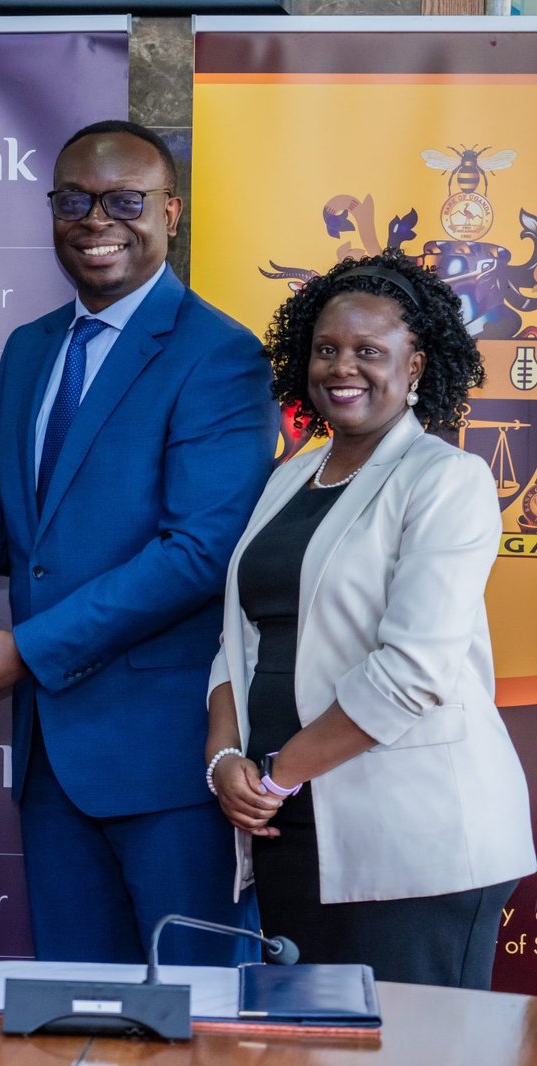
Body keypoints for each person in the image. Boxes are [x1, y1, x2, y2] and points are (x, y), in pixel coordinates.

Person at [0, 120, 278, 963]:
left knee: (200, 1010)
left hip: (168, 762)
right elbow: (32, 537)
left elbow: (201, 551)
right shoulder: (30, 349)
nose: (97, 221)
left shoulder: (220, 355)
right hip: (50, 764)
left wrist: (28, 650)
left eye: (125, 201)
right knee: (76, 1009)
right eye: (74, 201)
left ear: (170, 212)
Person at [206, 248, 535, 988]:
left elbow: (412, 672)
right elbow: (239, 639)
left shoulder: (447, 479)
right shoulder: (289, 477)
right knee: (311, 1036)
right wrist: (223, 759)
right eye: (326, 349)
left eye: (368, 351)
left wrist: (277, 776)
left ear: (415, 366)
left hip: (416, 838)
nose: (342, 367)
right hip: (291, 828)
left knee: (415, 1040)